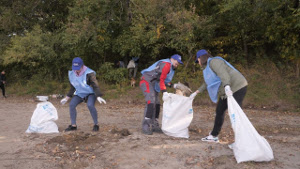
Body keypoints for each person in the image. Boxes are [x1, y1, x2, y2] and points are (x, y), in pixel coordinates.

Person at [190, 49, 248, 143]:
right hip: (226, 90)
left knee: (236, 113)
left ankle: (242, 140)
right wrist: (196, 92)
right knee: (219, 110)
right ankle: (214, 135)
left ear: (201, 58)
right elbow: (207, 83)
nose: (198, 63)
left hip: (237, 86)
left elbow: (223, 74)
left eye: (198, 60)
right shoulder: (207, 68)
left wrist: (227, 86)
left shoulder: (214, 62)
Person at [139, 54, 183, 135]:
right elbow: (161, 79)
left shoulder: (171, 68)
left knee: (157, 104)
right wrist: (164, 92)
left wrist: (174, 85)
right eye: (177, 61)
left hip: (153, 83)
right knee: (151, 101)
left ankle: (154, 124)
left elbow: (165, 81)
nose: (178, 64)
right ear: (172, 59)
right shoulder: (166, 64)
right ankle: (146, 125)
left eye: (179, 63)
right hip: (146, 81)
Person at [60, 57, 106, 132]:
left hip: (90, 93)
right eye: (75, 68)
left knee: (90, 105)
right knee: (72, 104)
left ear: (82, 66)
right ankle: (73, 125)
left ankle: (96, 124)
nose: (76, 70)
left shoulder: (89, 73)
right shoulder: (72, 74)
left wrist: (98, 96)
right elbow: (73, 87)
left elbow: (95, 85)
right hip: (80, 93)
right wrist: (67, 98)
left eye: (78, 68)